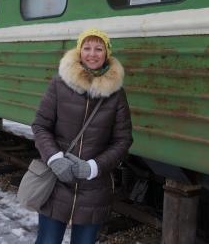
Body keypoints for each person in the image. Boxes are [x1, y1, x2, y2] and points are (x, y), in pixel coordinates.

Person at [31, 28, 133, 244]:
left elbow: (123, 140)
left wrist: (94, 167)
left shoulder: (116, 94)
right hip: (56, 183)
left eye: (99, 48)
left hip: (94, 189)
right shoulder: (59, 84)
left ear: (107, 54)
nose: (92, 53)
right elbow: (40, 126)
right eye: (86, 48)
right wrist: (54, 159)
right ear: (79, 51)